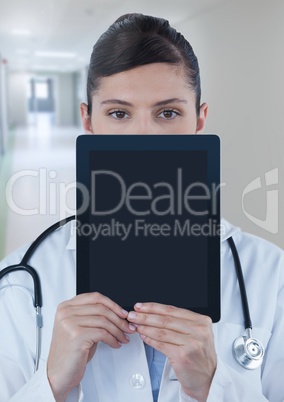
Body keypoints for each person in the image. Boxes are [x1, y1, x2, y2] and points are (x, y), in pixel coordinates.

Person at [0, 13, 283, 402]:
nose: (143, 136)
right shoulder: (19, 282)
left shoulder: (272, 277)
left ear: (199, 121)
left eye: (168, 113)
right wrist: (49, 384)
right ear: (89, 121)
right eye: (119, 113)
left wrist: (215, 387)